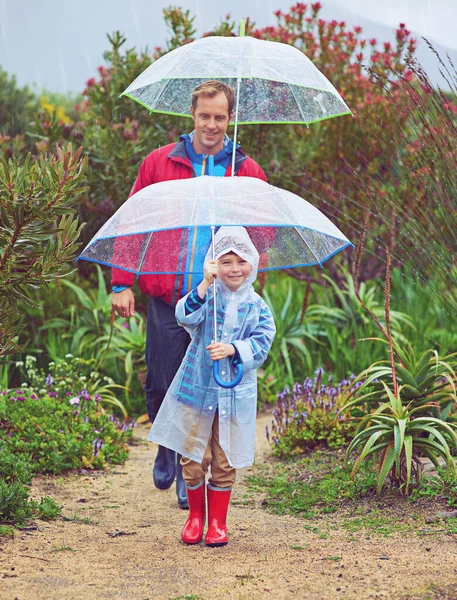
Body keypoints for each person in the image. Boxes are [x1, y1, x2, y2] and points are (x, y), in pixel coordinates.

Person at [111, 81, 267, 509]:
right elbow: (132, 223)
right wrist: (121, 282)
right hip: (168, 294)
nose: (212, 124)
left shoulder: (245, 170)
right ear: (192, 116)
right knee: (163, 383)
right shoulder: (160, 163)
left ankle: (188, 470)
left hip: (219, 305)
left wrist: (246, 210)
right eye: (205, 116)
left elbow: (264, 237)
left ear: (229, 118)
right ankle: (166, 446)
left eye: (220, 117)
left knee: (202, 390)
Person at [148, 226, 276, 546]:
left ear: (253, 263)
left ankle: (218, 523)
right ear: (214, 264)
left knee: (224, 458)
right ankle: (195, 517)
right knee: (193, 457)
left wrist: (233, 350)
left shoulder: (257, 305)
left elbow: (262, 342)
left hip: (233, 396)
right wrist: (205, 283)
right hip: (197, 389)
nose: (234, 269)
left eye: (241, 262)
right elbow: (183, 315)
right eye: (226, 262)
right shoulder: (209, 296)